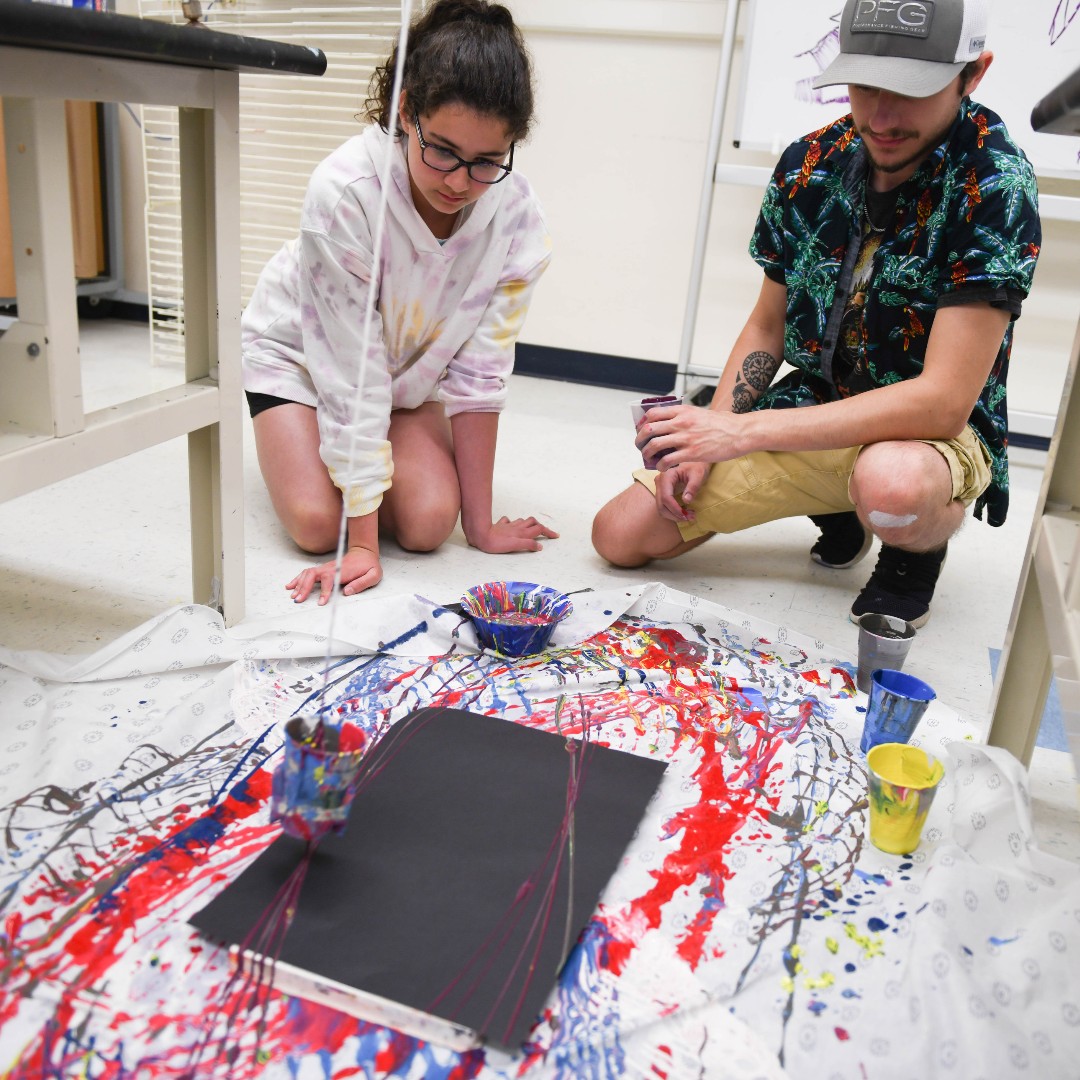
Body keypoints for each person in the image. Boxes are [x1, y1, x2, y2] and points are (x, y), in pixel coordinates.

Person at [592, 0, 1041, 628]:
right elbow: (767, 326)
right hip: (818, 403)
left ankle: (913, 546)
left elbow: (941, 402)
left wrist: (742, 434)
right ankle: (837, 504)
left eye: (911, 90)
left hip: (928, 440)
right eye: (864, 86)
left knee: (894, 486)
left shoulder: (994, 183)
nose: (881, 116)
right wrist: (710, 435)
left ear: (973, 74)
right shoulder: (810, 162)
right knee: (621, 535)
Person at [242, 0, 557, 605]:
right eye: (441, 150)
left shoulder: (517, 219)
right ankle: (310, 451)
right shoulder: (346, 194)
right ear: (406, 112)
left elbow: (481, 374)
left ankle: (363, 462)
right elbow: (347, 369)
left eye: (487, 161)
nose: (459, 182)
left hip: (406, 377)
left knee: (430, 524)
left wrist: (483, 526)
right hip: (301, 359)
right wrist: (361, 543)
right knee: (315, 526)